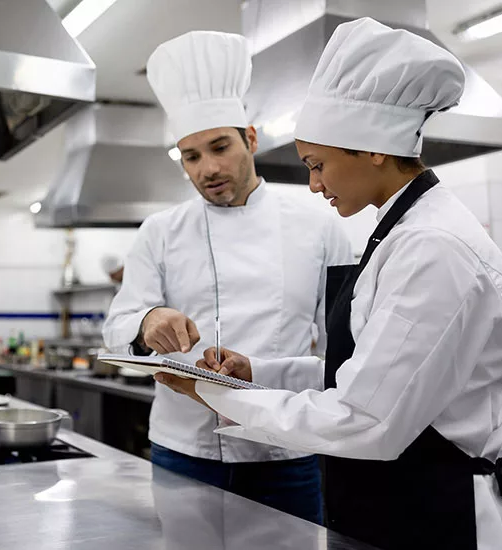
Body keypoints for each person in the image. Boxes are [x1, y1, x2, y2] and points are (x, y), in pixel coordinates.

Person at [155, 18, 502, 550]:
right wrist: (257, 373)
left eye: (317, 164)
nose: (313, 184)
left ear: (374, 149)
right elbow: (374, 374)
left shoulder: (434, 248)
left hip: (438, 517)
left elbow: (366, 418)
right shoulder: (404, 232)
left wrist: (219, 395)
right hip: (399, 503)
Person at [103, 30, 353, 524]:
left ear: (251, 138)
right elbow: (117, 325)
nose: (208, 168)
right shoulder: (159, 231)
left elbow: (341, 348)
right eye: (191, 157)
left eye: (220, 147)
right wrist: (148, 318)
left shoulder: (321, 223)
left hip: (284, 451)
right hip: (183, 448)